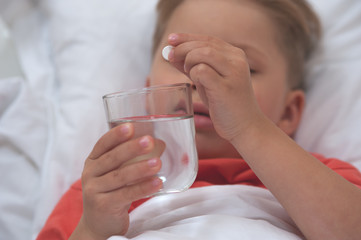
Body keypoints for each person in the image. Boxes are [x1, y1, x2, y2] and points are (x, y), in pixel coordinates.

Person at [37, 0, 361, 239]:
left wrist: (249, 127)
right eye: (179, 60)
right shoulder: (106, 188)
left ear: (289, 113)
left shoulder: (322, 179)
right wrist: (93, 229)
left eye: (242, 69)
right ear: (148, 90)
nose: (200, 78)